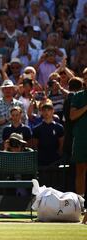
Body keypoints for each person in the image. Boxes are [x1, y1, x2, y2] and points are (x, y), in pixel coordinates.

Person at [70, 70, 87, 204]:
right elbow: (72, 115)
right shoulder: (78, 96)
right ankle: (80, 203)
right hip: (81, 137)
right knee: (80, 170)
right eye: (85, 78)